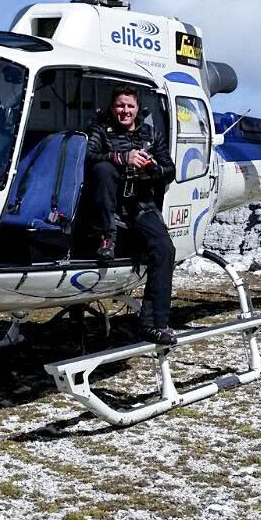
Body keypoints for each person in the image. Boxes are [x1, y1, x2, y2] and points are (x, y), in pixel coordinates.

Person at [82, 84, 178, 345]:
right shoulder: (99, 129)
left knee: (165, 250)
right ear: (113, 108)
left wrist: (155, 170)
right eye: (120, 105)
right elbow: (89, 156)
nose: (125, 110)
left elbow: (170, 169)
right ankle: (106, 237)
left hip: (141, 204)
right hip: (107, 207)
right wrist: (122, 158)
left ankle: (154, 324)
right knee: (102, 170)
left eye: (130, 106)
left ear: (138, 109)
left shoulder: (151, 134)